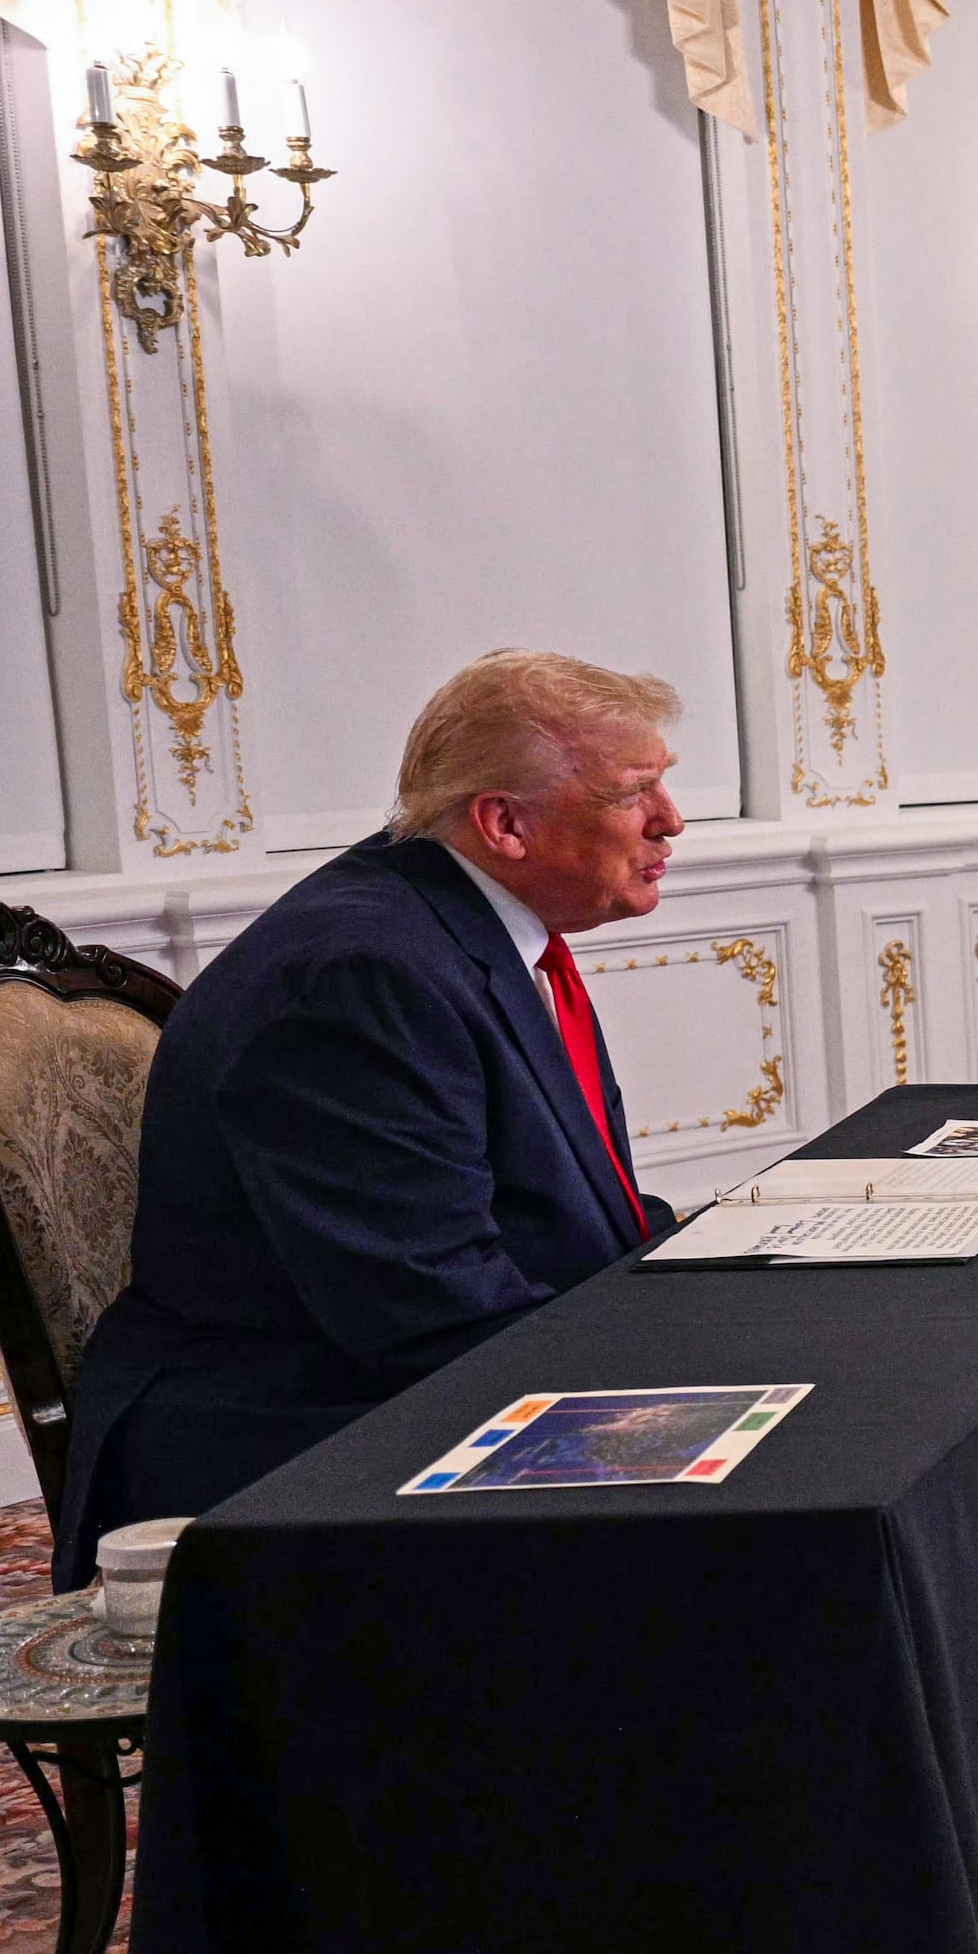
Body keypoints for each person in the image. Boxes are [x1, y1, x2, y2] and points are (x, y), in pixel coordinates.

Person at [56, 653, 683, 1584]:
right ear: (505, 822)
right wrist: (686, 1372)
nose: (671, 821)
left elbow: (548, 1212)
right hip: (288, 1439)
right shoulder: (365, 976)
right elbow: (427, 1316)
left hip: (385, 1374)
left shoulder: (454, 925)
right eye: (635, 793)